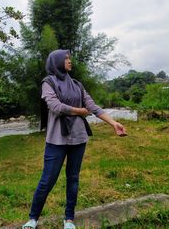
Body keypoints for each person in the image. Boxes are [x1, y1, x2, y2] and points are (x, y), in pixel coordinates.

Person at [22, 49, 127, 229]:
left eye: (70, 58)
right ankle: (33, 218)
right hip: (56, 139)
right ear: (56, 62)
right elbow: (55, 106)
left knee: (73, 178)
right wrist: (79, 111)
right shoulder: (48, 83)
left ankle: (69, 219)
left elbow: (92, 106)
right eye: (67, 58)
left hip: (78, 138)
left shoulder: (77, 84)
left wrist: (113, 123)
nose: (70, 61)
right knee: (47, 179)